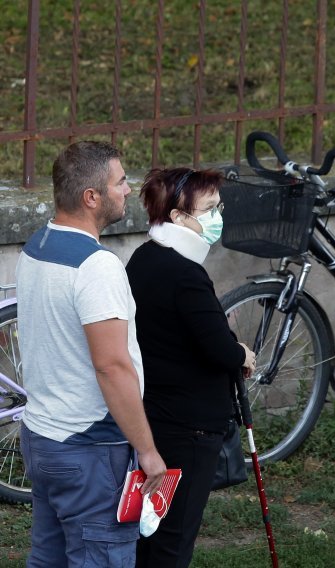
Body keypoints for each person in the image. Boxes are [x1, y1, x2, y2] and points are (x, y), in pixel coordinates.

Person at [17, 141, 167, 567]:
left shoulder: (37, 246)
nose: (127, 189)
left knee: (48, 557)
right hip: (90, 449)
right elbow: (112, 366)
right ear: (91, 197)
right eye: (120, 182)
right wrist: (147, 450)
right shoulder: (97, 267)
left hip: (43, 436)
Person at [126, 167, 256, 568]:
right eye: (209, 209)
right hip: (191, 426)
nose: (217, 217)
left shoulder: (144, 257)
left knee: (150, 530)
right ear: (179, 218)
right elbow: (218, 347)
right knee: (174, 537)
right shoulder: (186, 275)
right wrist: (242, 355)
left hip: (156, 414)